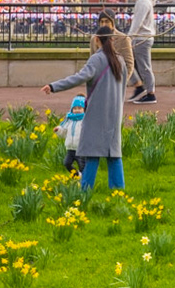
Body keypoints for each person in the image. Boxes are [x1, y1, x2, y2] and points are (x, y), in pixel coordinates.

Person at [42, 19, 129, 192]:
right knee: (113, 154)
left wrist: (53, 86)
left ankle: (85, 191)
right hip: (114, 112)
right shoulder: (120, 61)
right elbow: (124, 87)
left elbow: (78, 78)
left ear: (97, 39)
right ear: (112, 40)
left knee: (92, 153)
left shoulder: (96, 60)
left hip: (96, 113)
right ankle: (118, 192)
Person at [127, 0, 157, 105]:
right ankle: (139, 86)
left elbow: (137, 22)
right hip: (141, 38)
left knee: (144, 66)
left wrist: (129, 37)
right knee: (126, 61)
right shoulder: (142, 0)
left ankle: (150, 94)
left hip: (142, 38)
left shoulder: (144, 2)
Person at [55, 94, 86, 173]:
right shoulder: (69, 120)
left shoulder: (85, 120)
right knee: (67, 163)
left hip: (81, 149)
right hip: (70, 148)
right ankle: (76, 175)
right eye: (74, 108)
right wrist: (58, 130)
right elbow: (64, 133)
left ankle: (84, 181)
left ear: (84, 109)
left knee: (82, 167)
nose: (77, 110)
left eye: (79, 108)